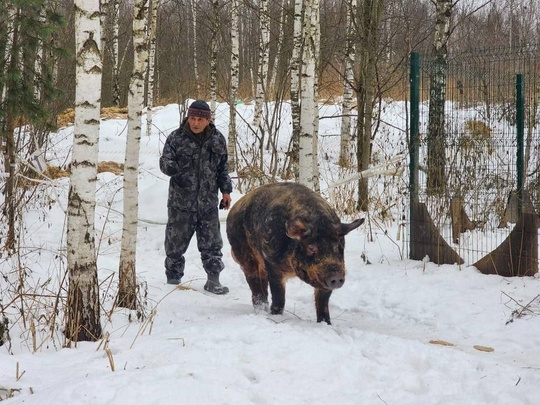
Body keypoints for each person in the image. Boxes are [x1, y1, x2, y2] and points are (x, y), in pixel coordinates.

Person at [159, 100, 233, 294]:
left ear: (208, 120)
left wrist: (226, 192)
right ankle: (172, 281)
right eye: (192, 118)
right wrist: (171, 167)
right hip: (180, 203)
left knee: (212, 244)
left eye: (200, 119)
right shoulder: (176, 138)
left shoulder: (217, 140)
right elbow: (164, 161)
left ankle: (213, 280)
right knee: (175, 245)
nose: (196, 123)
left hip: (208, 203)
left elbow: (223, 169)